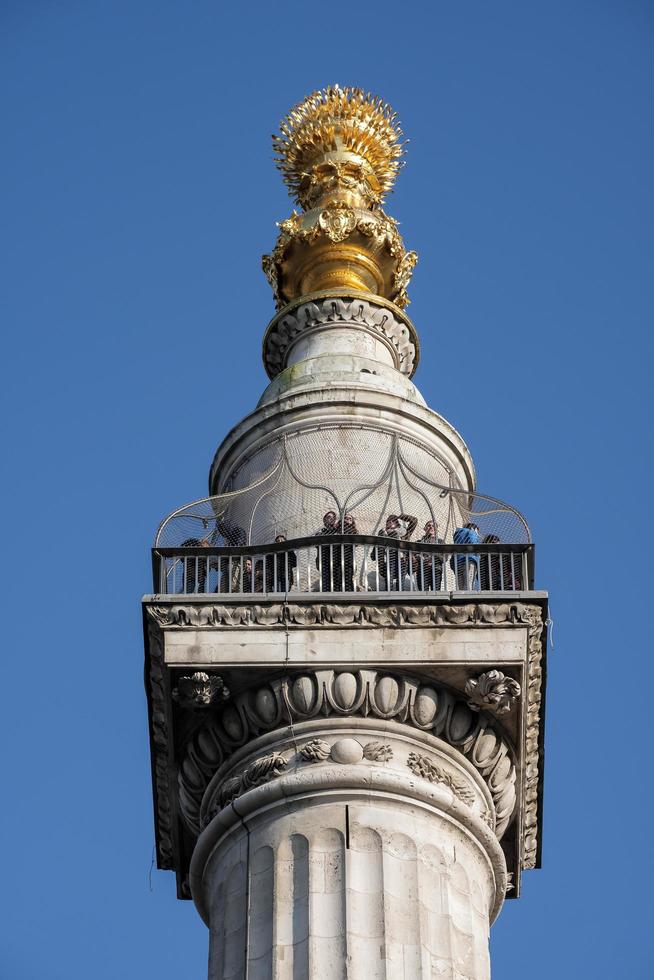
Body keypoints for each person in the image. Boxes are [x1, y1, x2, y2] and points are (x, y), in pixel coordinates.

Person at [372, 513, 418, 590]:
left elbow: (414, 521)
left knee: (401, 580)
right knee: (389, 579)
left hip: (402, 560)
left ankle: (400, 594)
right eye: (388, 521)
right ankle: (388, 595)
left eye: (393, 521)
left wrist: (401, 516)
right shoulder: (383, 533)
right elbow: (378, 545)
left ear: (397, 523)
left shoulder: (404, 534)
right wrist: (375, 556)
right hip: (389, 560)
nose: (391, 522)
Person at [451, 522, 481, 590]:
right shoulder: (471, 532)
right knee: (469, 583)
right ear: (473, 528)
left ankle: (461, 599)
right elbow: (472, 542)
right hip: (469, 559)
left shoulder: (457, 534)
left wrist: (453, 565)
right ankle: (468, 599)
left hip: (457, 562)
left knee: (460, 586)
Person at [417, 519, 444, 591]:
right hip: (422, 569)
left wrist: (433, 559)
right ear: (425, 529)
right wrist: (422, 559)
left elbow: (444, 557)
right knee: (423, 593)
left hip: (436, 569)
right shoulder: (419, 542)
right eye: (429, 526)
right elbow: (415, 554)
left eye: (433, 526)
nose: (431, 527)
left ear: (436, 529)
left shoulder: (440, 542)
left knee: (436, 593)